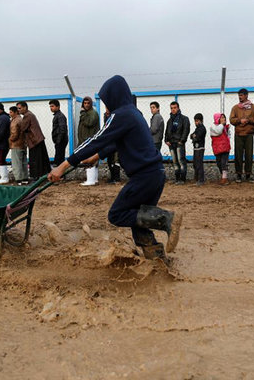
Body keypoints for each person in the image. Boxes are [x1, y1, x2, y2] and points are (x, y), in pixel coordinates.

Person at [48, 75, 182, 261]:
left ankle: (167, 219)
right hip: (154, 175)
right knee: (138, 218)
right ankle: (158, 260)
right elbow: (115, 143)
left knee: (117, 214)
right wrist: (97, 156)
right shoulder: (133, 113)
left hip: (144, 176)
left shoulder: (121, 115)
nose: (106, 106)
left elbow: (96, 139)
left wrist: (62, 166)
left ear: (115, 97)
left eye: (107, 101)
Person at [17, 101, 51, 180]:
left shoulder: (27, 116)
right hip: (38, 140)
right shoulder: (30, 114)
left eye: (19, 108)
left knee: (35, 160)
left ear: (25, 107)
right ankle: (45, 176)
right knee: (42, 160)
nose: (18, 110)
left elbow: (22, 128)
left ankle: (36, 177)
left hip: (34, 141)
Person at [230, 88, 254, 182]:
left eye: (241, 95)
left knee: (249, 155)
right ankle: (239, 175)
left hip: (249, 134)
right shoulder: (235, 108)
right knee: (238, 155)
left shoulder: (252, 107)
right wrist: (239, 120)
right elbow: (231, 120)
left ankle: (248, 175)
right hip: (239, 134)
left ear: (246, 95)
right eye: (239, 95)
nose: (240, 97)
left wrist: (248, 120)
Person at [164, 101, 190, 184]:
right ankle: (177, 178)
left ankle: (182, 179)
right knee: (175, 161)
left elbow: (186, 130)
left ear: (178, 108)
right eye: (171, 108)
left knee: (181, 160)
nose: (173, 110)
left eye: (175, 108)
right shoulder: (169, 120)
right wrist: (166, 140)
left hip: (179, 143)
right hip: (171, 143)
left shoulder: (184, 119)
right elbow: (167, 130)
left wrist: (182, 140)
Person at [77, 96, 100, 186]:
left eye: (88, 103)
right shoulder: (88, 113)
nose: (86, 105)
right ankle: (94, 179)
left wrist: (82, 113)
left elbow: (89, 123)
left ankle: (91, 180)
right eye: (85, 103)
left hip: (89, 140)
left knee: (89, 159)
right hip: (86, 140)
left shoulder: (92, 113)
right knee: (92, 159)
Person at [8, 106, 28, 185]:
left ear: (15, 112)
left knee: (16, 163)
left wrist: (10, 140)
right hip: (23, 144)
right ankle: (25, 178)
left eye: (11, 112)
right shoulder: (22, 119)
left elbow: (14, 134)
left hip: (16, 144)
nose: (10, 114)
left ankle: (18, 180)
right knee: (24, 162)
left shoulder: (15, 121)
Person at [210, 113, 231, 185]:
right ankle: (223, 176)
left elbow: (228, 136)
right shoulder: (213, 127)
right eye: (221, 118)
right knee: (219, 163)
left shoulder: (226, 128)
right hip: (217, 148)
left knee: (223, 163)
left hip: (225, 148)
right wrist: (222, 125)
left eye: (224, 118)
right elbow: (218, 131)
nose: (224, 119)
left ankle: (224, 178)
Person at [102, 110, 121, 183]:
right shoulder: (106, 115)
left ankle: (117, 178)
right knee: (110, 160)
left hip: (116, 141)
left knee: (116, 160)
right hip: (109, 141)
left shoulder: (116, 114)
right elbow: (105, 127)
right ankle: (112, 177)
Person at [49, 99, 68, 167]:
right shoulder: (57, 115)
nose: (51, 108)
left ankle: (60, 175)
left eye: (52, 106)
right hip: (59, 140)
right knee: (59, 158)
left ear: (58, 107)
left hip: (61, 140)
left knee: (59, 159)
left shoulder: (60, 116)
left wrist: (58, 141)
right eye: (50, 106)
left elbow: (62, 129)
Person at [190, 113, 206, 185]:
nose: (196, 122)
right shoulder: (197, 129)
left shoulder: (202, 128)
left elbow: (198, 137)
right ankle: (197, 179)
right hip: (196, 148)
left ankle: (201, 180)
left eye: (197, 121)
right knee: (195, 164)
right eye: (195, 121)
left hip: (200, 148)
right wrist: (193, 136)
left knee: (199, 164)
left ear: (201, 120)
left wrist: (194, 136)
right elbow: (191, 136)